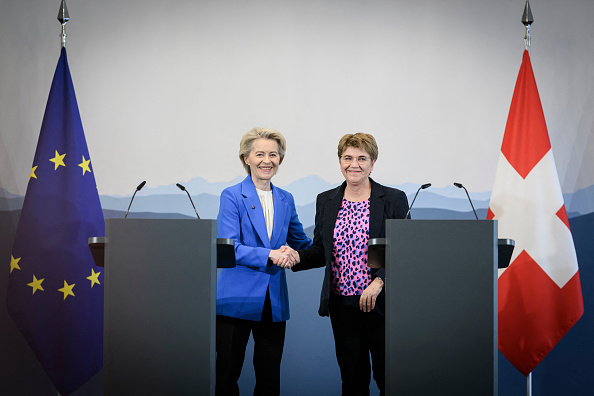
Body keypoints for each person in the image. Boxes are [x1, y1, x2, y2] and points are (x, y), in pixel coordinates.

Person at [281, 133, 409, 396]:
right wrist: (296, 256)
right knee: (352, 380)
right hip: (342, 305)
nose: (354, 164)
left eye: (362, 158)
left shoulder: (394, 199)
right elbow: (320, 250)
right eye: (348, 158)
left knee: (390, 379)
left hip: (382, 303)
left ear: (373, 163)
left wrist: (380, 281)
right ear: (340, 161)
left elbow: (405, 249)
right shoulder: (326, 200)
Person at [215, 127, 312, 396]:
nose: (267, 160)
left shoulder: (286, 198)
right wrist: (271, 254)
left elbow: (301, 243)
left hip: (273, 299)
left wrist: (331, 248)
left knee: (269, 379)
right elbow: (229, 247)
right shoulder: (232, 195)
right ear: (246, 158)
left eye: (273, 154)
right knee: (227, 375)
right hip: (234, 299)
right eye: (260, 154)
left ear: (280, 159)